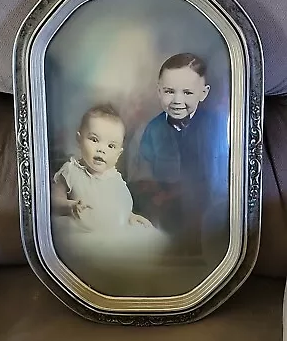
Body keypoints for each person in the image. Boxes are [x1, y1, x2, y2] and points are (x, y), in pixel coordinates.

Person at [51, 104, 169, 296]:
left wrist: (130, 216)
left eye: (111, 146)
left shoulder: (115, 178)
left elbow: (116, 205)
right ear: (79, 139)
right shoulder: (70, 172)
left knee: (147, 245)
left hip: (116, 231)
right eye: (94, 139)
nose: (101, 149)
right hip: (84, 233)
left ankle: (139, 288)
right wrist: (71, 205)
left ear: (118, 153)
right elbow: (53, 202)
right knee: (97, 258)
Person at [128, 53, 229, 257]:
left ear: (203, 93)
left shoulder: (218, 126)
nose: (177, 100)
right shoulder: (152, 130)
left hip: (206, 212)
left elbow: (223, 179)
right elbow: (142, 173)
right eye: (169, 91)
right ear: (159, 91)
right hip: (165, 210)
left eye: (187, 92)